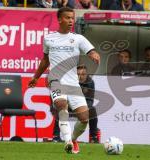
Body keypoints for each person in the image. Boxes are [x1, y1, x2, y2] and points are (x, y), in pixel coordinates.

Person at [28, 7, 100, 154]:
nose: (70, 21)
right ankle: (67, 141)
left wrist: (94, 54)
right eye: (67, 18)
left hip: (73, 83)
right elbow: (45, 61)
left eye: (72, 18)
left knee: (84, 118)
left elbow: (91, 50)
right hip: (56, 80)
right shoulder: (49, 38)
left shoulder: (78, 38)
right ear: (59, 19)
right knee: (61, 105)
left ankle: (73, 139)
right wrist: (35, 77)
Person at [77, 65, 99, 143]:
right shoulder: (71, 82)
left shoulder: (90, 83)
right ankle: (56, 136)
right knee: (59, 108)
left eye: (83, 74)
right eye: (78, 74)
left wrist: (83, 107)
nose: (80, 77)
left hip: (83, 106)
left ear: (87, 75)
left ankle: (93, 137)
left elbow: (90, 100)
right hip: (71, 106)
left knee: (92, 110)